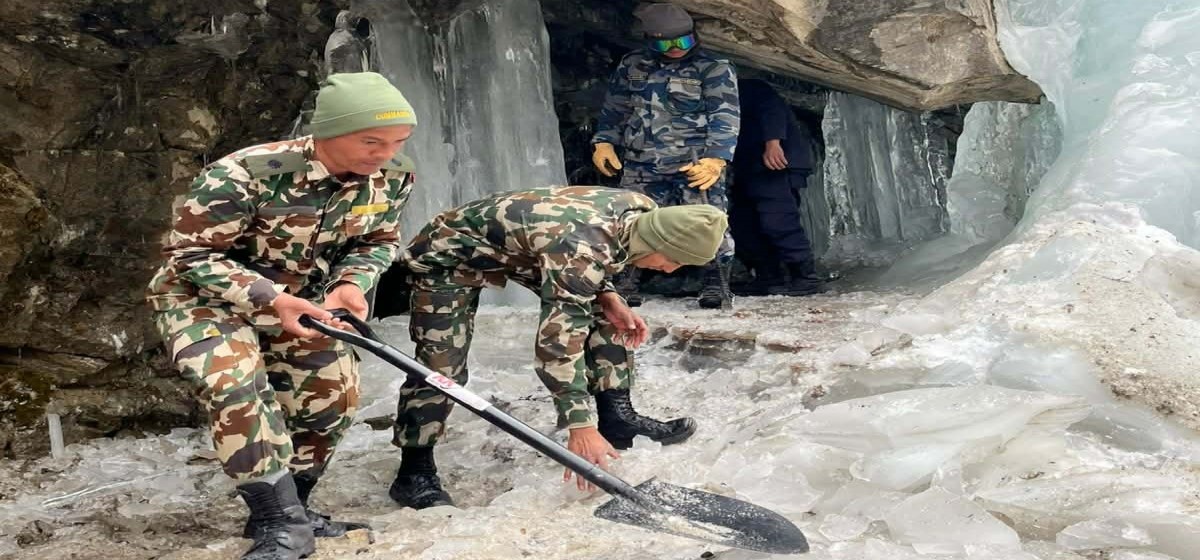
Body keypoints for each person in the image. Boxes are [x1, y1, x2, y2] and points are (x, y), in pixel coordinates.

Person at [146, 72, 418, 560]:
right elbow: (190, 255)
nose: (385, 153)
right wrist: (270, 298)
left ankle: (294, 509)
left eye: (398, 142)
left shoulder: (394, 176)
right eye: (371, 141)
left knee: (333, 395)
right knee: (234, 384)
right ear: (329, 131)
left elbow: (377, 241)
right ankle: (280, 525)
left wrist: (350, 284)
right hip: (205, 297)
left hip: (305, 300)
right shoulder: (243, 174)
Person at [382, 186, 727, 509]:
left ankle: (617, 418)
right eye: (675, 261)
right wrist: (579, 425)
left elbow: (594, 258)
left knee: (608, 313)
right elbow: (559, 341)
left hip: (531, 248)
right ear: (659, 241)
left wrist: (608, 295)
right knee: (441, 365)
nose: (671, 270)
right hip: (451, 255)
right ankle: (414, 471)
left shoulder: (642, 213)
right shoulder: (581, 246)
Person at [590, 2, 740, 309]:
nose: (675, 49)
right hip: (641, 162)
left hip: (694, 163)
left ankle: (716, 281)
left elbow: (725, 115)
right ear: (650, 40)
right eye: (665, 44)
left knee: (707, 220)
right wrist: (604, 141)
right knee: (632, 221)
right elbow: (616, 107)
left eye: (683, 41)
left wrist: (717, 159)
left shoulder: (713, 67)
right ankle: (627, 281)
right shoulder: (633, 64)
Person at [730, 78, 823, 296]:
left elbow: (771, 108)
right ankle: (769, 276)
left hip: (775, 164)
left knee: (778, 220)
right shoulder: (709, 95)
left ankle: (805, 277)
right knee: (742, 223)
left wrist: (773, 142)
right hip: (746, 167)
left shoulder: (749, 88)